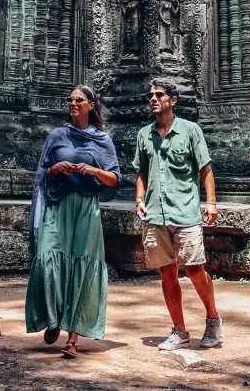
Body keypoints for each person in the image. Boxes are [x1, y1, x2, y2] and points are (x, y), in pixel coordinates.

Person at [26, 85, 121, 358]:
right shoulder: (57, 135)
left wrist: (93, 170)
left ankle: (73, 337)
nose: (72, 103)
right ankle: (53, 318)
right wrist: (54, 169)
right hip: (58, 205)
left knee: (82, 265)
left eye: (78, 99)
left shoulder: (102, 140)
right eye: (69, 99)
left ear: (91, 105)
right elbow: (42, 174)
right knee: (48, 260)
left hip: (85, 208)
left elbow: (115, 179)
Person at [133, 79, 223, 350]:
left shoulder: (190, 131)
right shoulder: (144, 135)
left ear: (173, 100)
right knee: (167, 274)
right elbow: (142, 172)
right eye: (151, 95)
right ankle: (179, 331)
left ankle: (213, 319)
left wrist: (211, 203)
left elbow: (205, 169)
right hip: (156, 215)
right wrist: (139, 198)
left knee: (195, 270)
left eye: (160, 95)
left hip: (185, 211)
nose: (154, 99)